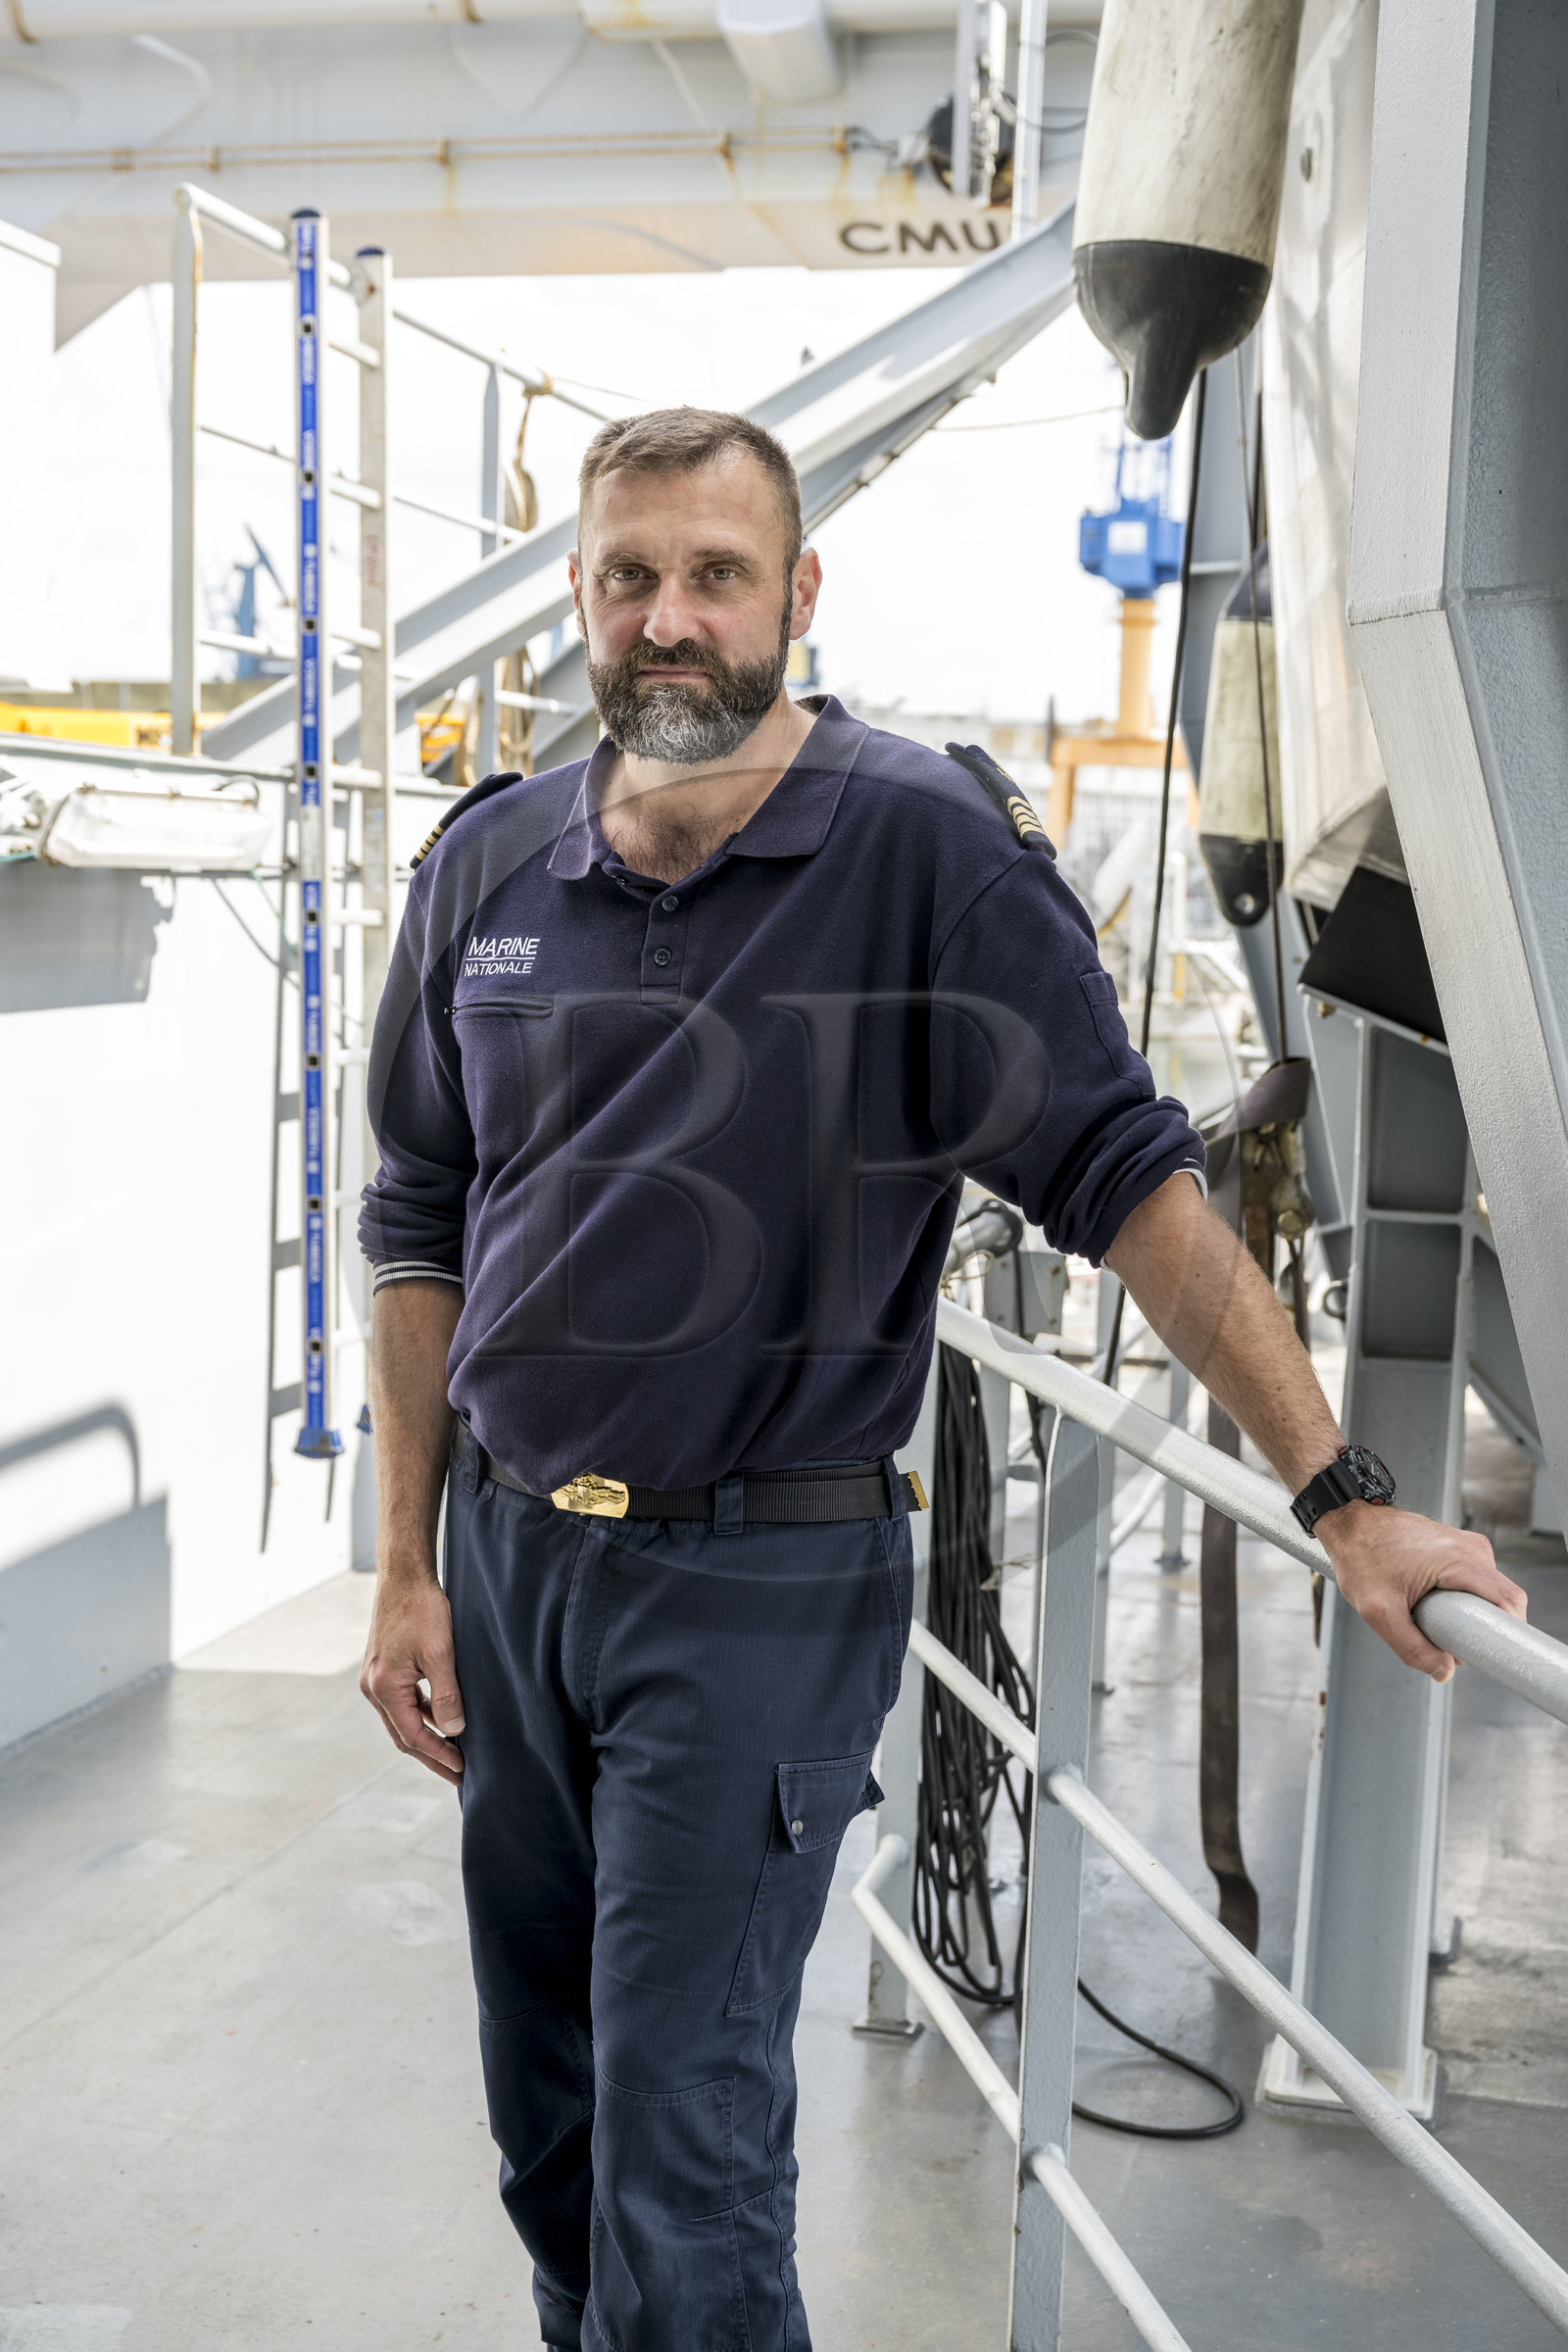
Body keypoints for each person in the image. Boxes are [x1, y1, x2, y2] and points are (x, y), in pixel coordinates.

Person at [357, 406, 1524, 2351]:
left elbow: (1127, 1181)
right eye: (629, 576)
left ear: (796, 594)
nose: (667, 618)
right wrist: (407, 1566)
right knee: (550, 2131)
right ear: (577, 593)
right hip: (508, 1564)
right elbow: (416, 1212)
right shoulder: (489, 862)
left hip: (753, 1582)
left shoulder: (920, 852)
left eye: (715, 574)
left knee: (683, 2158)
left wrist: (1344, 1496)